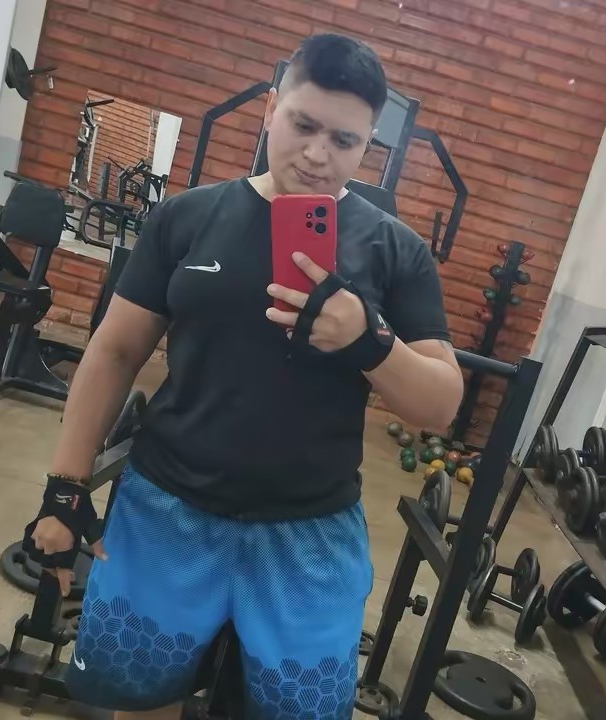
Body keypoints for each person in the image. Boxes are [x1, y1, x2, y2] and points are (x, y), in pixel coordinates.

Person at [24, 33, 463, 720]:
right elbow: (114, 353)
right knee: (139, 696)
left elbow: (441, 405)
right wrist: (65, 487)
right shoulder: (187, 217)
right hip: (167, 510)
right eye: (304, 125)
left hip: (309, 533)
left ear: (368, 145)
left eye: (344, 140)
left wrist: (369, 340)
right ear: (270, 109)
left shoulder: (395, 250)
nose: (317, 154)